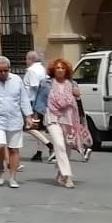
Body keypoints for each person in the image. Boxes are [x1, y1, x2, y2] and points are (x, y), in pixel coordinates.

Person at [0, 55, 33, 188]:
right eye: (0, 71)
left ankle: (13, 177)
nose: (3, 73)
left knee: (14, 148)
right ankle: (0, 167)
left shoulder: (16, 80)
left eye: (5, 70)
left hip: (14, 118)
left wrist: (28, 116)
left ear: (9, 69)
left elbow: (24, 99)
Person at [45, 58, 88, 187]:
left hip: (69, 117)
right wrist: (34, 115)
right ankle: (67, 176)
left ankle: (59, 172)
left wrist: (78, 95)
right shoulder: (47, 83)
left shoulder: (72, 83)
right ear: (53, 70)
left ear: (66, 70)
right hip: (52, 116)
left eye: (62, 68)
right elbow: (40, 99)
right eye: (57, 68)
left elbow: (78, 101)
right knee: (59, 144)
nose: (60, 70)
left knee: (67, 146)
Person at [23, 51, 53, 162]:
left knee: (28, 126)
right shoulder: (42, 69)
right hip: (40, 102)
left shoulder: (32, 70)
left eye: (26, 59)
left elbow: (35, 87)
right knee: (39, 128)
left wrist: (35, 106)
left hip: (31, 102)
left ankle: (50, 146)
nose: (25, 62)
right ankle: (39, 153)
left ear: (30, 59)